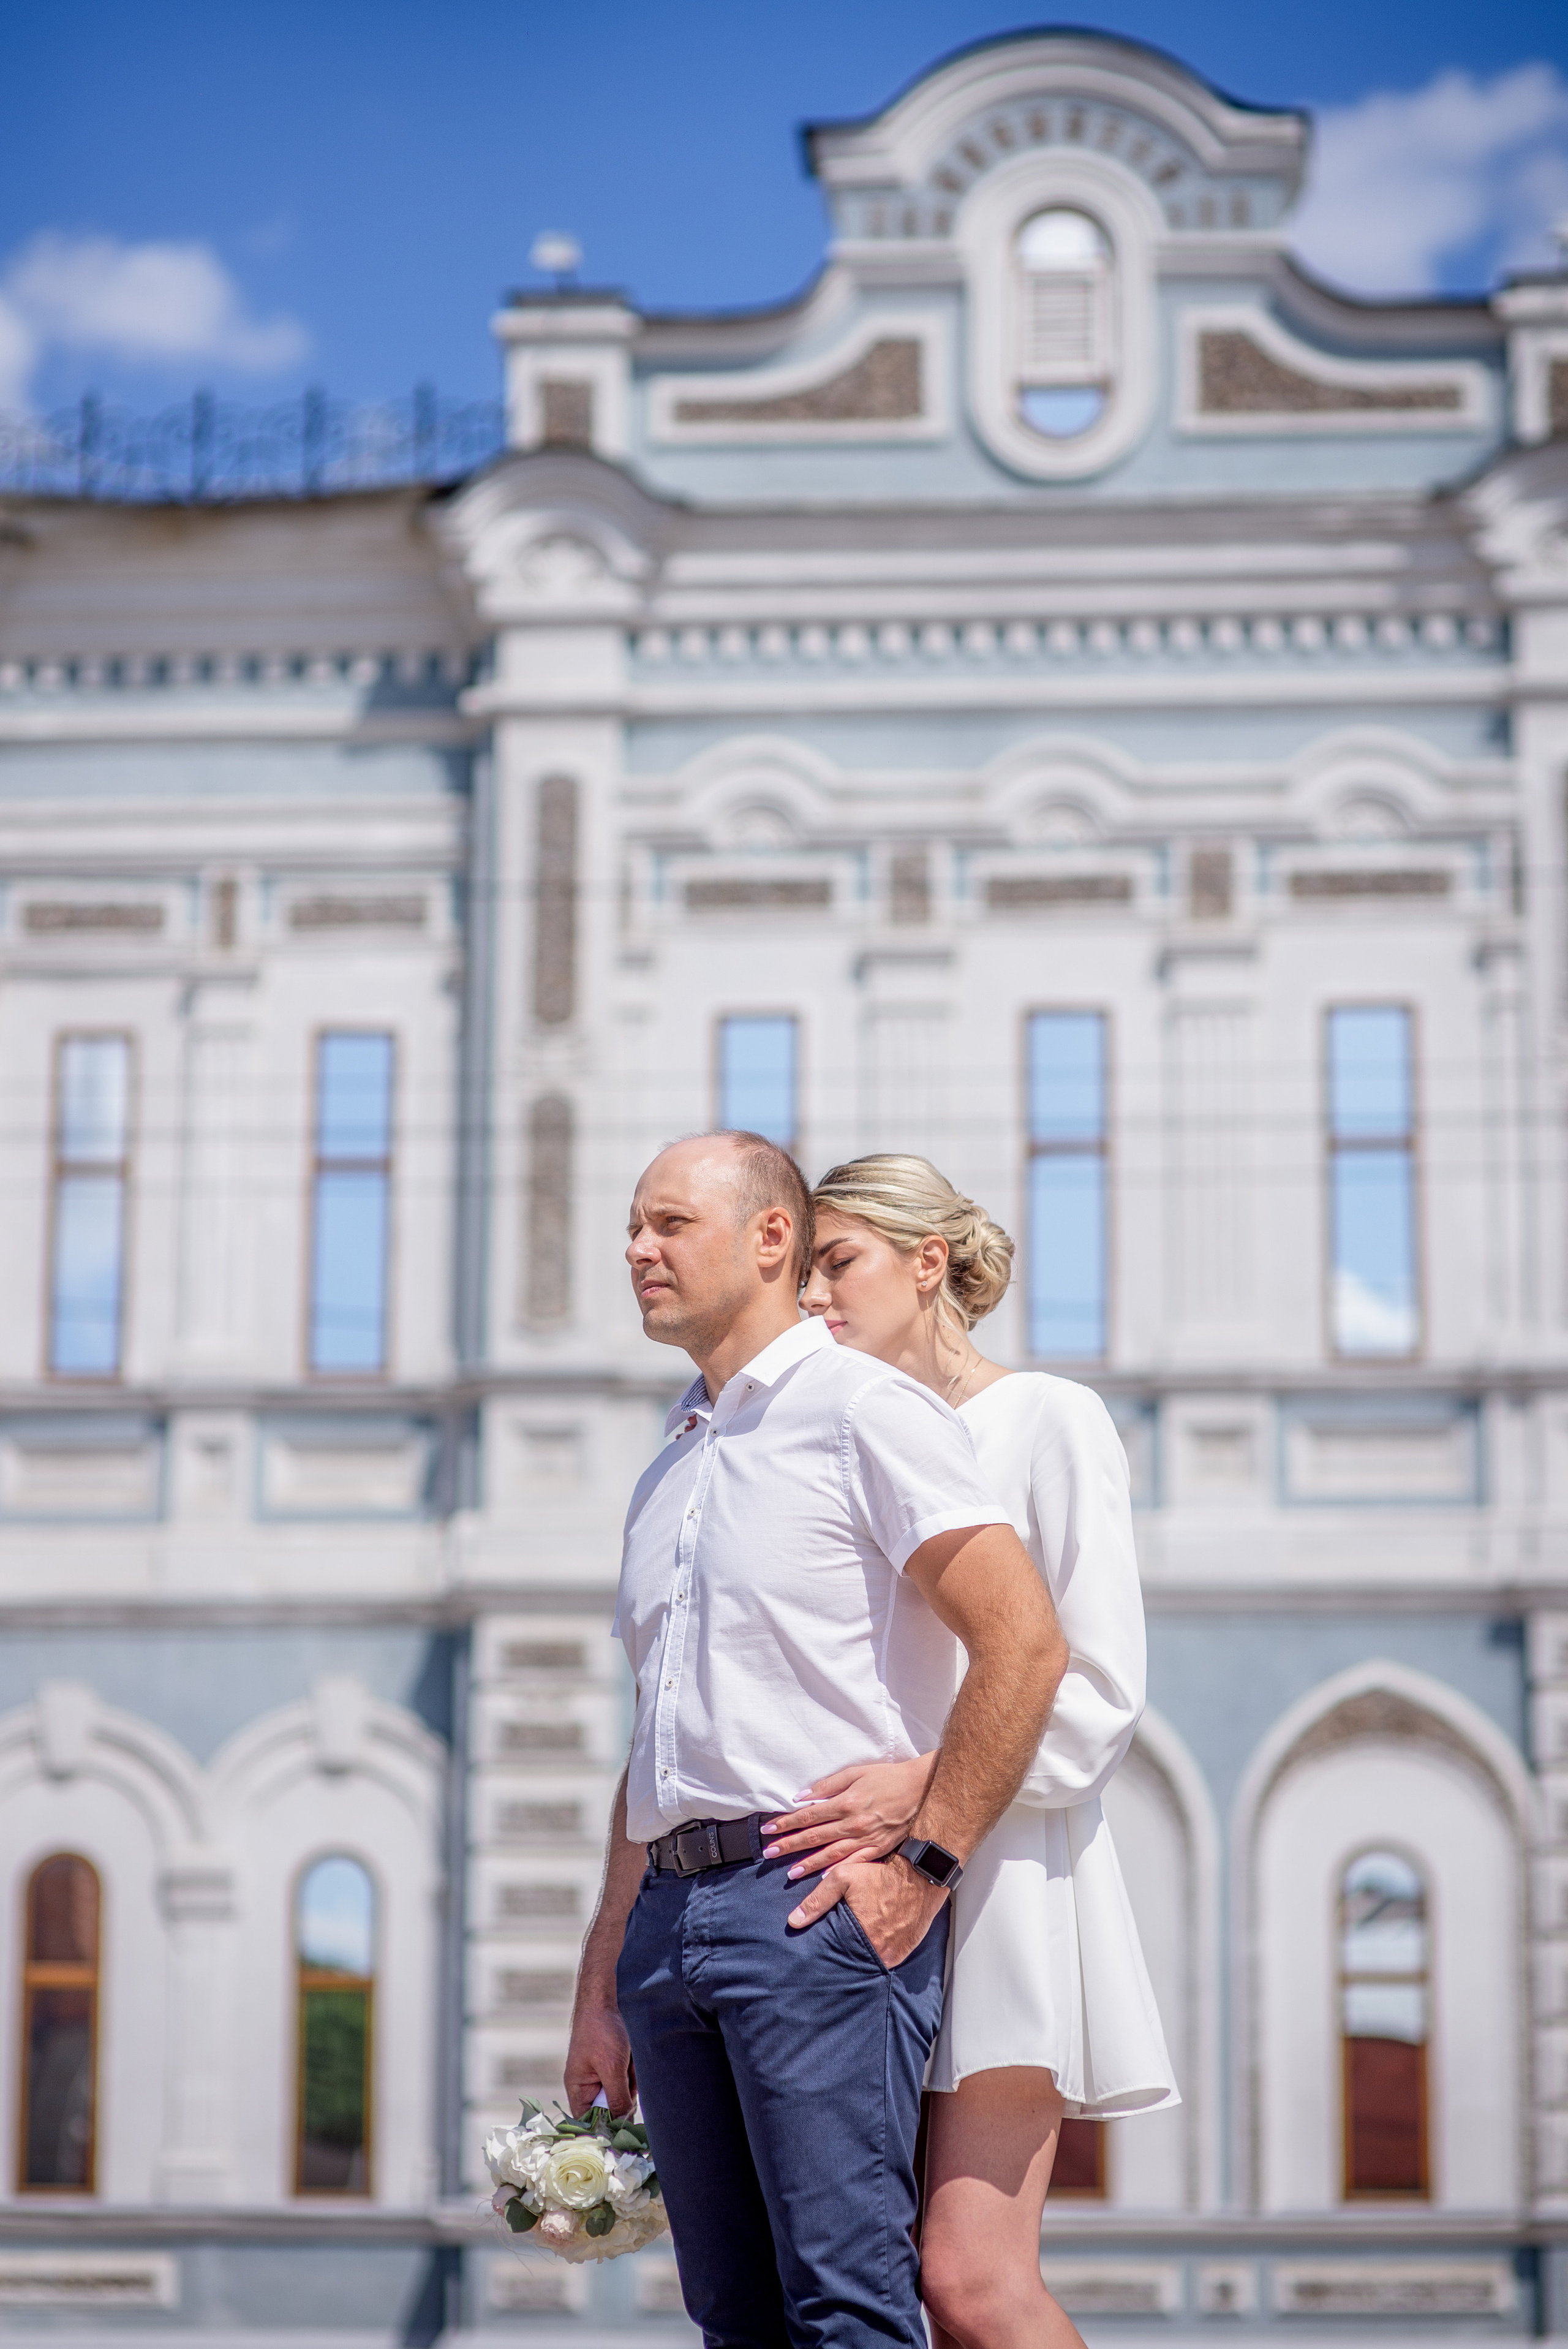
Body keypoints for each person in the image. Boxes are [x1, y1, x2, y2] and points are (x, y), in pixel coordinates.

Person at [564, 1130, 1069, 2349]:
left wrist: (922, 1867)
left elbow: (1023, 1642)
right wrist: (602, 1980)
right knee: (731, 2318)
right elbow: (655, 1742)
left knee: (845, 2308)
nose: (637, 1250)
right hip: (668, 1928)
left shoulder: (864, 1410)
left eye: (669, 1223)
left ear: (770, 1238)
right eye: (631, 1226)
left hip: (807, 1911)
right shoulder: (670, 1463)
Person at [764, 1153, 1177, 2349]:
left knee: (969, 2280)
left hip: (1002, 1890)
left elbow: (1096, 1690)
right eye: (801, 1276)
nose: (813, 1298)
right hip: (849, 1881)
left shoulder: (1048, 1418)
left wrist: (924, 1789)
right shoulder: (841, 1436)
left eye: (837, 1262)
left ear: (927, 1261)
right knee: (870, 2283)